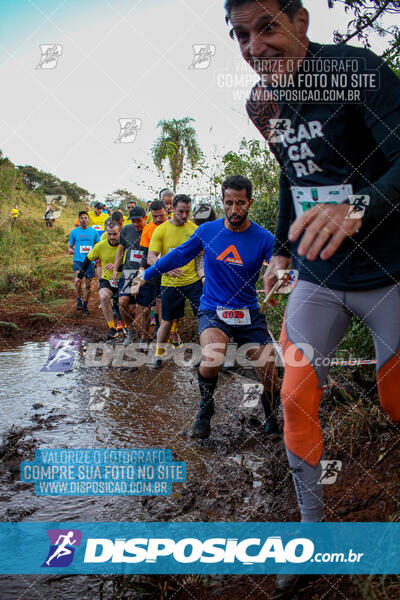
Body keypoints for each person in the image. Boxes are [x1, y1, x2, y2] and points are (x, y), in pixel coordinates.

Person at [226, 0, 400, 592]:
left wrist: (356, 209)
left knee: (396, 398)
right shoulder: (265, 103)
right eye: (241, 36)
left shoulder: (358, 73)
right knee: (295, 399)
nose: (254, 48)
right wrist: (279, 250)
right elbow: (291, 175)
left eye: (267, 27)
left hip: (390, 274)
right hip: (318, 278)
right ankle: (312, 536)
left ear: (300, 22)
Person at [132, 175, 280, 436]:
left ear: (250, 203)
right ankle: (206, 406)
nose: (234, 210)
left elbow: (281, 268)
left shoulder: (263, 238)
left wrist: (280, 281)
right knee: (212, 357)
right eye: (229, 203)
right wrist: (148, 273)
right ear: (222, 202)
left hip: (248, 311)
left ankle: (271, 418)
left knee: (268, 371)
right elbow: (179, 255)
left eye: (241, 203)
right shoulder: (208, 231)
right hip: (214, 309)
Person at [146, 194, 202, 369]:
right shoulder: (161, 229)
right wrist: (166, 268)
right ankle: (158, 355)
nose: (184, 216)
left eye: (187, 212)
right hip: (170, 283)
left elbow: (200, 257)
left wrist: (203, 277)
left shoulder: (194, 230)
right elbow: (150, 257)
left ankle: (210, 355)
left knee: (204, 317)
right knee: (167, 321)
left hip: (193, 281)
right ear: (172, 210)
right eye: (180, 212)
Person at [75, 221, 122, 338]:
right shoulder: (101, 246)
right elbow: (88, 259)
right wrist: (79, 276)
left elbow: (132, 264)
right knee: (104, 297)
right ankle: (111, 327)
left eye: (115, 234)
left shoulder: (125, 246)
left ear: (119, 233)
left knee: (124, 304)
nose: (112, 237)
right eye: (110, 234)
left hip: (123, 279)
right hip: (107, 279)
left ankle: (125, 325)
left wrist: (117, 266)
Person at [136, 200, 169, 350]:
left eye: (161, 215)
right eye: (154, 216)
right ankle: (144, 337)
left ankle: (161, 339)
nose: (157, 219)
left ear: (167, 210)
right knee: (144, 307)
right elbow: (143, 253)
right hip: (151, 270)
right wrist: (141, 270)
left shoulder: (174, 226)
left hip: (169, 271)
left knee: (163, 305)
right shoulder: (148, 228)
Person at [113, 206, 148, 345]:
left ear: (145, 218)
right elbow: (121, 251)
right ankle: (131, 330)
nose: (136, 224)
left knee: (143, 309)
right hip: (128, 272)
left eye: (138, 221)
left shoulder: (150, 230)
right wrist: (116, 268)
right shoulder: (127, 230)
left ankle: (144, 338)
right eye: (133, 221)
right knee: (122, 302)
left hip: (145, 274)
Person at [68, 211, 100, 314]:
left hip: (90, 261)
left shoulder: (94, 232)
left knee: (88, 284)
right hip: (77, 259)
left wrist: (97, 258)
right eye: (81, 218)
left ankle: (85, 305)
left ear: (88, 220)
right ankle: (78, 301)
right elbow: (70, 244)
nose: (84, 220)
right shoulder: (74, 232)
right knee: (78, 281)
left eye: (86, 218)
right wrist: (69, 249)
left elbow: (98, 245)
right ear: (79, 219)